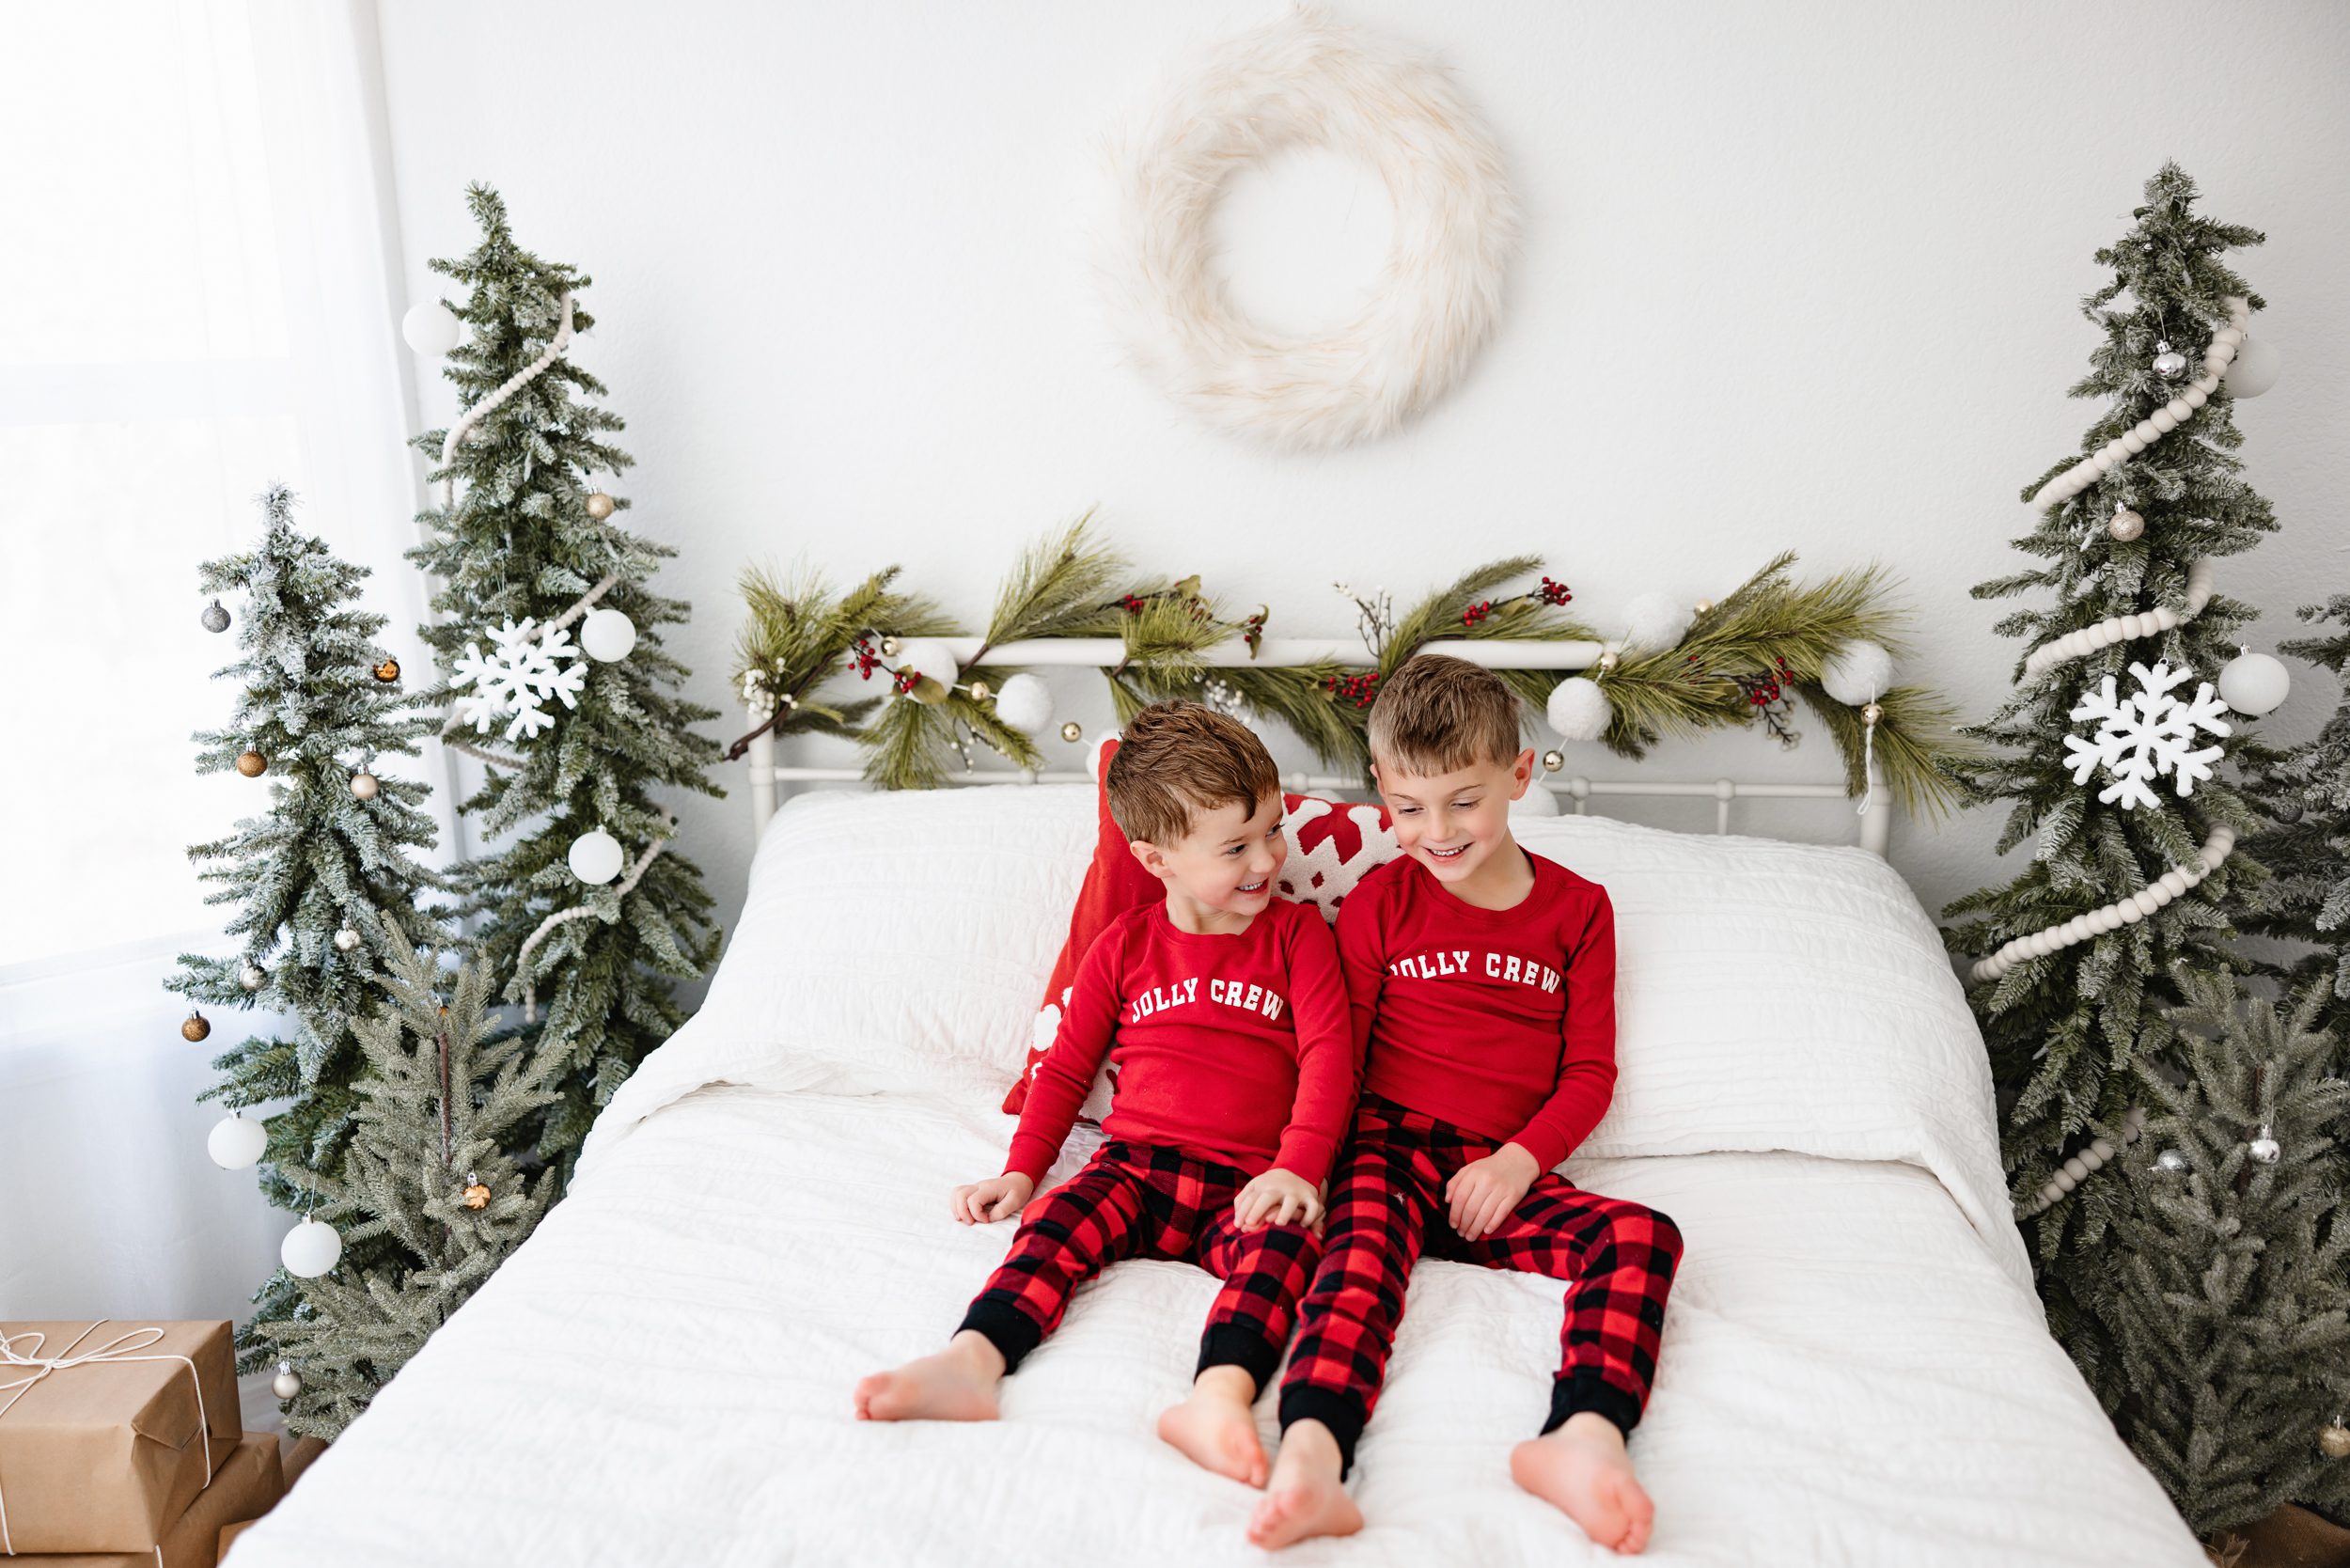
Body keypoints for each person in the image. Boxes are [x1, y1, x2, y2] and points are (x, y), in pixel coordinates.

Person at [854, 701, 1355, 1488]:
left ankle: (1219, 1399)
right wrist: (1022, 1172)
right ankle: (973, 1359)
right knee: (1056, 1225)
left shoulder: (1298, 938)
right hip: (1136, 1166)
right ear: (1156, 860)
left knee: (1288, 1251)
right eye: (1236, 846)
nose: (1266, 859)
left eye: (1272, 830)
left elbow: (1332, 1060)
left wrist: (1298, 1168)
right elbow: (1063, 1067)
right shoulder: (1125, 946)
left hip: (1249, 1177)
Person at [1251, 653, 1684, 1555]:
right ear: (1381, 790)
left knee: (1643, 1236)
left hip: (1501, 1167)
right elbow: (1340, 1056)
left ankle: (1585, 1436)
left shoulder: (1580, 912)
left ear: (1520, 775)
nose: (1437, 831)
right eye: (1409, 808)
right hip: (1390, 1149)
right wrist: (1304, 1163)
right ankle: (1312, 1457)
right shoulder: (1378, 905)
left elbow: (1588, 1075)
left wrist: (1519, 1161)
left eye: (1464, 801)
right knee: (1359, 1263)